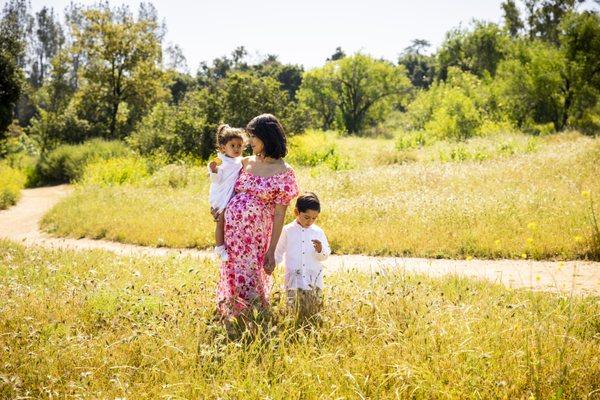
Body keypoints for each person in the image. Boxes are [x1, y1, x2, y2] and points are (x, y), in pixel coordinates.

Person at [216, 114, 299, 326]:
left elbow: (280, 214)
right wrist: (217, 207)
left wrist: (272, 249)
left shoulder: (284, 172)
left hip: (256, 234)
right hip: (232, 232)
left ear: (267, 137)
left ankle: (253, 315)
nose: (249, 142)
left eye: (253, 137)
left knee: (251, 269)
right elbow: (223, 182)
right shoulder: (245, 162)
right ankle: (232, 310)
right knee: (232, 267)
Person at [275, 192, 330, 320]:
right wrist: (270, 264)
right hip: (294, 281)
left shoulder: (318, 232)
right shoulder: (287, 230)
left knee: (313, 314)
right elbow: (278, 251)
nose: (310, 221)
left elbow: (325, 255)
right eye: (306, 217)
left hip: (314, 282)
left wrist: (320, 250)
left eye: (314, 218)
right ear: (296, 212)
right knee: (294, 313)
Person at [207, 124, 245, 261]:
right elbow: (216, 180)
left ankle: (232, 244)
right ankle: (219, 248)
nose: (236, 148)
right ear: (224, 148)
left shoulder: (240, 160)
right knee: (221, 220)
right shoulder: (220, 160)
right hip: (221, 195)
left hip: (232, 195)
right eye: (233, 145)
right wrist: (214, 170)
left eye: (239, 145)